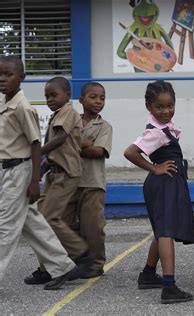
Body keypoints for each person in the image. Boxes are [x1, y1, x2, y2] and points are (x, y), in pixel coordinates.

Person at [0, 56, 83, 290]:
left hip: (19, 170)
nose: (3, 79)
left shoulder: (23, 107)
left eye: (9, 74)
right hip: (7, 170)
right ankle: (63, 266)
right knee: (32, 223)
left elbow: (36, 145)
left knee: (5, 226)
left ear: (22, 78)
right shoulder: (4, 103)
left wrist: (35, 180)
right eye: (0, 74)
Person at [124, 80, 194, 304]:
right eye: (160, 107)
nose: (166, 111)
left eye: (170, 106)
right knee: (166, 231)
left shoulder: (164, 128)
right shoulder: (156, 132)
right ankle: (169, 286)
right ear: (149, 106)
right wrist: (155, 168)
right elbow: (130, 152)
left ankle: (147, 274)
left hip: (167, 182)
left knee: (163, 230)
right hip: (163, 182)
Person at [24, 77, 95, 285]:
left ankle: (83, 256)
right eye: (47, 96)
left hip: (66, 173)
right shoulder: (57, 114)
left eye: (54, 95)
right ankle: (47, 267)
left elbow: (59, 140)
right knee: (39, 220)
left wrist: (35, 153)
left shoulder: (69, 112)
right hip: (53, 173)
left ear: (67, 95)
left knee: (49, 218)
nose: (49, 100)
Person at [63, 82, 113, 278]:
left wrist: (71, 144)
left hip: (93, 182)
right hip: (69, 180)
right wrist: (84, 144)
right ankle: (73, 260)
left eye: (102, 98)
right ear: (81, 100)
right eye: (93, 97)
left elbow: (98, 151)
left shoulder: (104, 126)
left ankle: (96, 263)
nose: (98, 101)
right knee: (66, 224)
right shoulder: (71, 120)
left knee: (93, 226)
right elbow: (59, 143)